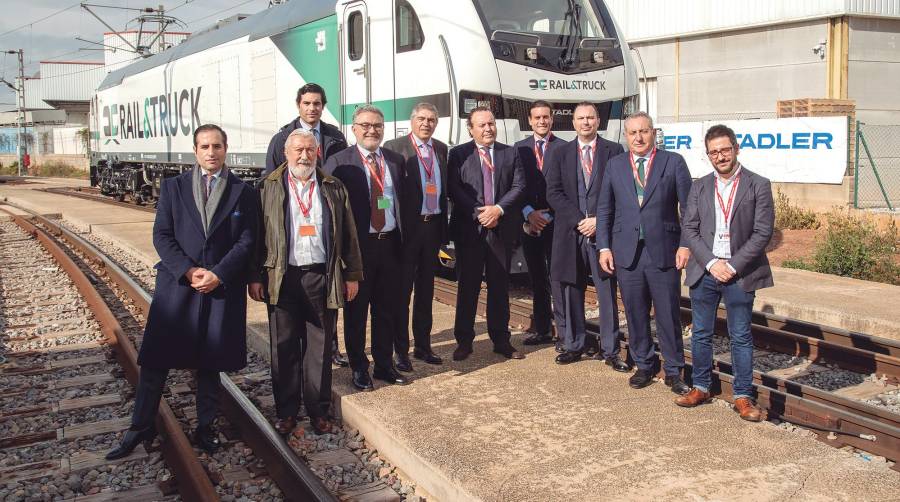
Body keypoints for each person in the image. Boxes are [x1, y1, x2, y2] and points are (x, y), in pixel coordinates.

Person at [106, 124, 258, 460]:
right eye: (204, 146)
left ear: (226, 148)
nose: (211, 152)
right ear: (195, 150)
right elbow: (162, 235)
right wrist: (188, 271)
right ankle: (139, 427)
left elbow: (248, 239)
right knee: (156, 361)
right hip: (179, 287)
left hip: (220, 288)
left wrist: (219, 274)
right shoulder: (173, 187)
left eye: (217, 146)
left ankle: (205, 428)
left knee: (210, 362)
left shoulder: (243, 191)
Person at [250, 129, 363, 435]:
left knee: (320, 348)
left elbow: (349, 234)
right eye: (298, 150)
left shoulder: (333, 187)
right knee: (283, 348)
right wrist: (255, 277)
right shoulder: (267, 187)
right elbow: (256, 236)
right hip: (281, 277)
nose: (304, 156)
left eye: (310, 150)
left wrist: (351, 274)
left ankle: (318, 411)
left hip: (321, 276)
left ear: (318, 153)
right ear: (286, 153)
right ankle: (287, 412)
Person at [675, 124, 774, 421]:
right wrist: (710, 263)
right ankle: (701, 386)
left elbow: (762, 232)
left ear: (736, 149)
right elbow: (689, 228)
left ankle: (743, 396)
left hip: (740, 272)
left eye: (725, 150)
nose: (720, 156)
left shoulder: (758, 184)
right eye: (714, 152)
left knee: (740, 336)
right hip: (705, 271)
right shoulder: (700, 186)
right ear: (708, 155)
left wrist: (731, 265)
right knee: (702, 333)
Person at [597, 111, 692, 394]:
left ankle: (674, 371)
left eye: (644, 131)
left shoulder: (673, 162)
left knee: (667, 313)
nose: (638, 137)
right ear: (625, 136)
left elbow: (689, 209)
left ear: (653, 133)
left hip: (664, 251)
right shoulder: (614, 166)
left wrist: (686, 244)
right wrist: (604, 246)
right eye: (632, 133)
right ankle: (644, 364)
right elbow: (605, 210)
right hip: (627, 254)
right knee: (635, 313)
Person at [265, 83, 351, 368]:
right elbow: (270, 185)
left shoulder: (335, 137)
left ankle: (333, 349)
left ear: (322, 106)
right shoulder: (282, 138)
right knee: (287, 333)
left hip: (323, 223)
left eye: (317, 103)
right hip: (290, 245)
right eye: (307, 103)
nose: (312, 108)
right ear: (298, 105)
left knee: (326, 315)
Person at [325, 104, 408, 390]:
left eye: (377, 126)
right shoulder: (339, 163)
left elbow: (402, 204)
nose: (372, 130)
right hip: (358, 250)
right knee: (356, 312)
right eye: (366, 125)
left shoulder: (396, 161)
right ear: (354, 128)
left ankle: (384, 365)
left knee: (386, 310)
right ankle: (359, 367)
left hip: (390, 247)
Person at [544, 102, 627, 368]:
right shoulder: (560, 153)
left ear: (598, 120)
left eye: (590, 117)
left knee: (606, 291)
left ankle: (610, 350)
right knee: (571, 289)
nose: (586, 122)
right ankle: (573, 344)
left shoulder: (614, 151)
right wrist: (581, 220)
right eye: (581, 118)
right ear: (573, 123)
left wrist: (599, 222)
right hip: (570, 232)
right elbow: (553, 192)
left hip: (603, 235)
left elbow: (619, 193)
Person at [448, 107, 527, 361]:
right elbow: (454, 188)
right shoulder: (458, 154)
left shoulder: (509, 152)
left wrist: (498, 210)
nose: (488, 129)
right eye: (481, 125)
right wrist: (479, 212)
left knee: (499, 286)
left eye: (491, 124)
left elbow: (519, 186)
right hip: (470, 229)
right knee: (468, 286)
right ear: (471, 129)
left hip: (500, 230)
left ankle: (501, 340)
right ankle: (464, 340)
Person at [383, 103, 448, 371]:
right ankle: (401, 350)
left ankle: (423, 345)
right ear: (412, 121)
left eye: (431, 119)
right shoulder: (395, 147)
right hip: (408, 230)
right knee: (402, 293)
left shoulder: (441, 149)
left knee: (426, 291)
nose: (426, 124)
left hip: (432, 228)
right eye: (421, 119)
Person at [514, 100, 565, 349]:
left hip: (555, 223)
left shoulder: (565, 148)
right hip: (528, 223)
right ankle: (543, 329)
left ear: (551, 119)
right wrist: (528, 214)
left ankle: (565, 333)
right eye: (537, 117)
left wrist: (550, 216)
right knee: (537, 278)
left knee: (558, 278)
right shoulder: (519, 148)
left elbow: (568, 188)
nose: (542, 121)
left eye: (546, 117)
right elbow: (515, 184)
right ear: (530, 121)